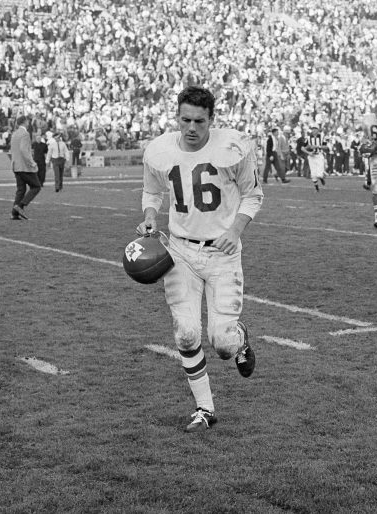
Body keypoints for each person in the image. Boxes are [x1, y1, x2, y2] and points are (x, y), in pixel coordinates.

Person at [136, 86, 263, 433]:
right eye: (185, 120)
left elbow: (253, 195)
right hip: (179, 251)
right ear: (177, 116)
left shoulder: (233, 147)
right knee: (187, 334)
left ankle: (240, 337)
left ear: (212, 119)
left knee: (221, 342)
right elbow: (153, 191)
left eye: (199, 121)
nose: (191, 128)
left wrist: (235, 230)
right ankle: (204, 409)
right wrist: (151, 214)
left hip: (223, 253)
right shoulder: (160, 150)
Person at [9, 115, 41, 220]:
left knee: (21, 190)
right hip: (24, 166)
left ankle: (14, 213)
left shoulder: (15, 134)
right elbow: (24, 150)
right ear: (25, 122)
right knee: (36, 186)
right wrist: (32, 163)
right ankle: (21, 206)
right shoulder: (25, 134)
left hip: (16, 165)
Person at [302, 123, 327, 192]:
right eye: (313, 129)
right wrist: (309, 152)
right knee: (313, 174)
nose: (314, 130)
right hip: (311, 156)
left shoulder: (322, 137)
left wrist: (318, 146)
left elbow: (326, 147)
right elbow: (302, 148)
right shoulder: (308, 138)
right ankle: (317, 188)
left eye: (315, 129)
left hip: (319, 155)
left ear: (318, 130)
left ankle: (321, 178)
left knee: (319, 174)